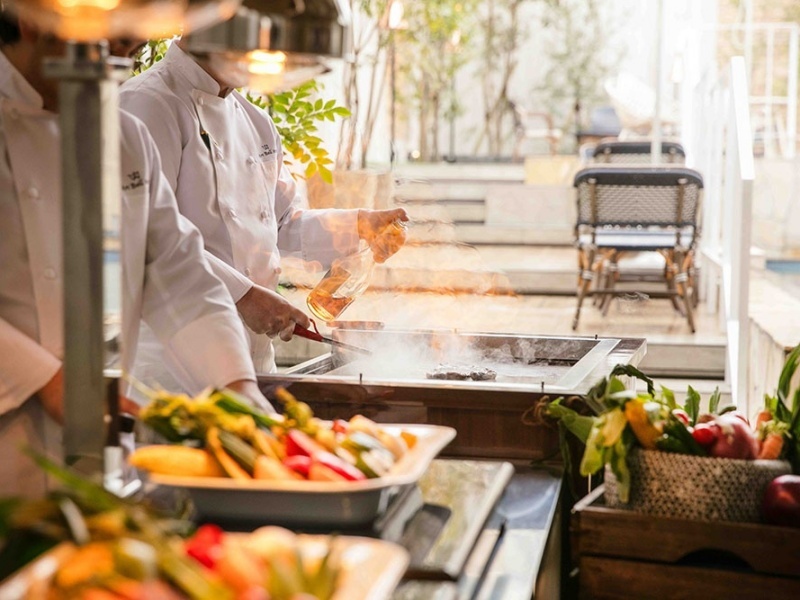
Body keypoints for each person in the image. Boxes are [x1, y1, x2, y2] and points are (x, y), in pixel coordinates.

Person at [0, 16, 272, 496]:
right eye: (111, 29)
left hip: (99, 466)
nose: (133, 41)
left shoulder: (124, 136)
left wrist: (236, 387)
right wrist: (47, 379)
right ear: (32, 14)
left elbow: (180, 274)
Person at [119, 35, 408, 389]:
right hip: (173, 365)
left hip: (255, 360)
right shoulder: (146, 103)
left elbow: (281, 223)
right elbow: (145, 235)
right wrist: (245, 295)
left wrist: (358, 224)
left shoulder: (255, 121)